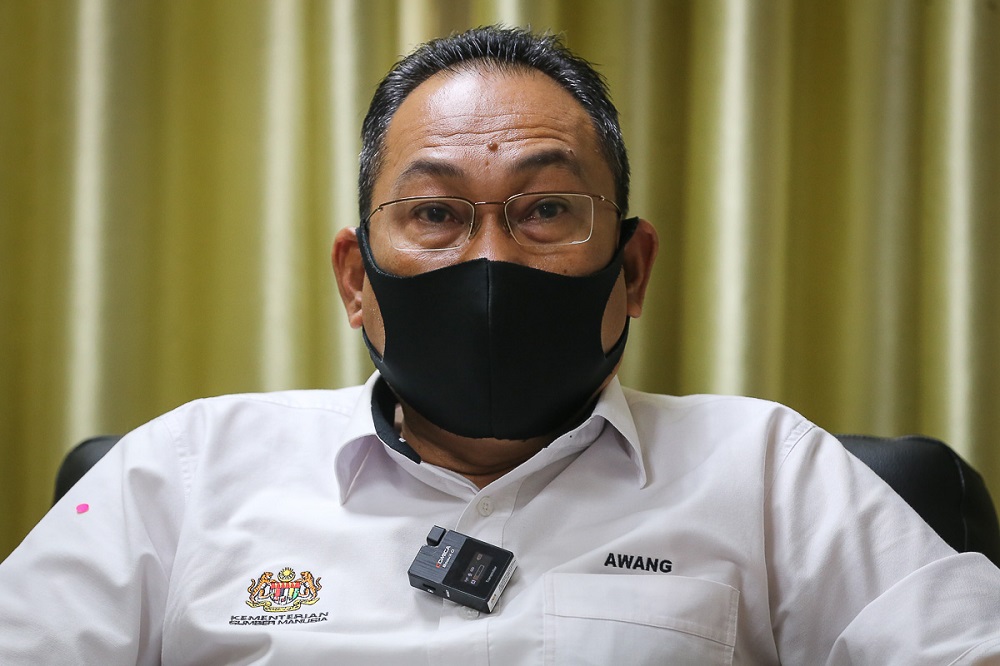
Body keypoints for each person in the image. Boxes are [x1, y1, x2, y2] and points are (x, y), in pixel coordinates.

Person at [1, 25, 998, 665]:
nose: (487, 261)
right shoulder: (180, 474)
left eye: (545, 209)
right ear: (356, 277)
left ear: (632, 268)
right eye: (434, 215)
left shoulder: (773, 472)